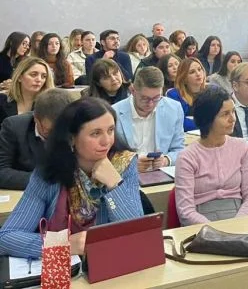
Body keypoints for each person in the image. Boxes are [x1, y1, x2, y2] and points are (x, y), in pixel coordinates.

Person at [0, 98, 142, 258]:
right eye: (96, 133)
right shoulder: (49, 172)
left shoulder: (124, 163)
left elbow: (139, 234)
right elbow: (7, 237)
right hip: (65, 268)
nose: (107, 141)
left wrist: (115, 184)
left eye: (110, 130)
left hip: (113, 263)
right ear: (71, 138)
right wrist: (62, 244)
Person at [175, 87, 248, 225]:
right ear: (208, 119)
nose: (233, 119)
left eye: (233, 111)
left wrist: (238, 223)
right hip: (201, 221)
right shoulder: (187, 157)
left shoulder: (241, 147)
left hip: (239, 215)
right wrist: (214, 230)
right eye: (225, 114)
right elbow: (185, 210)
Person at [112, 67, 185, 172]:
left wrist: (166, 160)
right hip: (126, 176)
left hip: (160, 173)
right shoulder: (114, 112)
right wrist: (128, 163)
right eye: (145, 98)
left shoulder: (174, 108)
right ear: (132, 90)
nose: (151, 104)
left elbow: (179, 149)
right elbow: (107, 155)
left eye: (156, 98)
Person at [0, 89, 70, 190]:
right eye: (50, 130)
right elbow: (1, 171)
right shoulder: (14, 127)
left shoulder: (79, 127)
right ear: (36, 119)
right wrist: (45, 179)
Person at [0, 58, 54, 125]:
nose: (39, 79)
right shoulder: (2, 101)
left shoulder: (48, 105)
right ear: (19, 77)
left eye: (44, 76)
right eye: (33, 74)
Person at [167, 57, 207, 131]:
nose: (198, 74)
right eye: (192, 72)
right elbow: (179, 122)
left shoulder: (212, 91)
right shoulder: (174, 95)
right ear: (184, 78)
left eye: (199, 69)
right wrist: (205, 124)